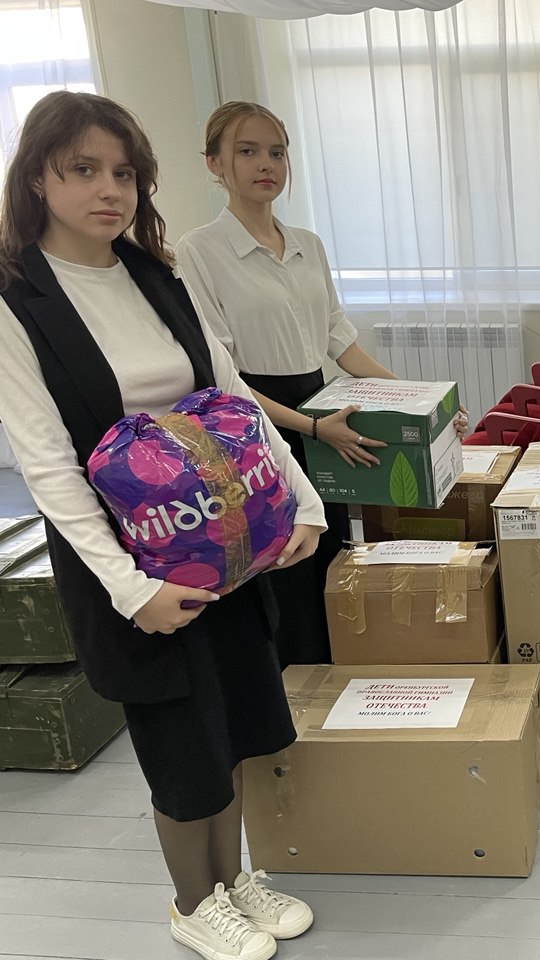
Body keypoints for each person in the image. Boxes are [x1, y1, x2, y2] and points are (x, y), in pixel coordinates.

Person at [0, 91, 322, 960]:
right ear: (37, 178)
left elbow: (232, 400)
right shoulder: (18, 300)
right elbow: (48, 467)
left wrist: (302, 500)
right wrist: (130, 588)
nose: (111, 189)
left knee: (239, 719)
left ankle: (234, 880)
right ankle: (192, 903)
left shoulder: (154, 273)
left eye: (126, 172)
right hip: (131, 567)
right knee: (180, 737)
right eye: (84, 170)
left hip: (224, 540)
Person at [175, 101, 466, 667]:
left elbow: (342, 344)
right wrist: (311, 428)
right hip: (254, 425)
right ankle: (293, 687)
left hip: (319, 406)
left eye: (277, 152)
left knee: (329, 550)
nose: (267, 164)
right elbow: (220, 377)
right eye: (247, 151)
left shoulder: (308, 243)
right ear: (214, 163)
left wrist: (424, 404)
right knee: (281, 564)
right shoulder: (199, 250)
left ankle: (335, 677)